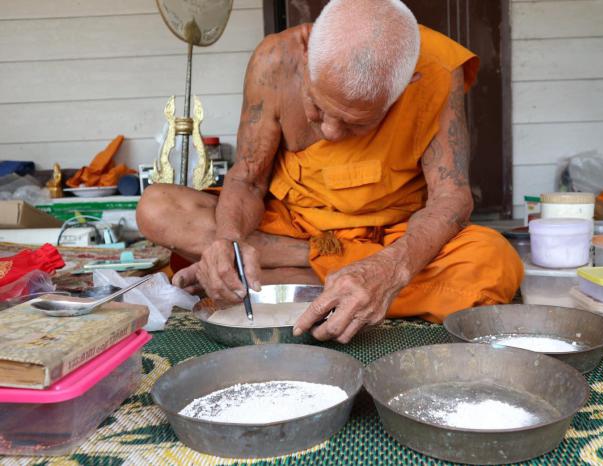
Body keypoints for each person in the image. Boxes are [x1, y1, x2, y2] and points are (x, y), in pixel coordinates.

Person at [136, 0, 523, 344]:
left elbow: (451, 197)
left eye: (356, 124)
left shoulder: (435, 70)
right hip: (291, 224)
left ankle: (281, 282)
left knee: (492, 263)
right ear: (305, 57)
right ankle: (334, 282)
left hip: (389, 235)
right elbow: (249, 178)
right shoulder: (275, 61)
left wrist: (390, 267)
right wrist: (230, 239)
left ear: (407, 85)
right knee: (158, 206)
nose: (331, 132)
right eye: (318, 110)